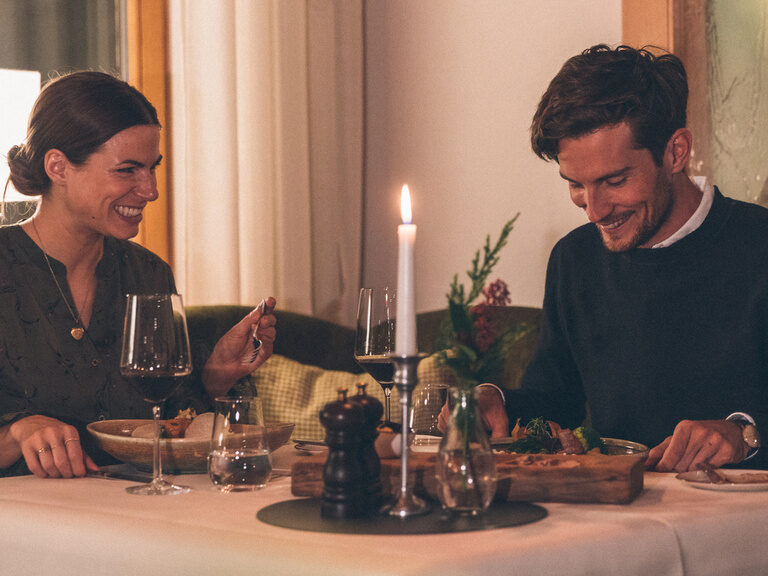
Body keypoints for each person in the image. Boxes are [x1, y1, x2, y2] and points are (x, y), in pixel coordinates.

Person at [442, 44, 768, 473]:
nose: (594, 211)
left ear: (675, 152)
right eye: (576, 185)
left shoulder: (758, 244)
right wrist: (493, 400)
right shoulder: (574, 259)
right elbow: (554, 403)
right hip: (618, 506)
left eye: (614, 181)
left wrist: (745, 435)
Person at [0, 71, 277, 478]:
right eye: (127, 170)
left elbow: (171, 424)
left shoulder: (148, 273)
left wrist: (214, 376)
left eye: (152, 168)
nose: (150, 190)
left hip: (138, 508)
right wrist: (15, 433)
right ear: (58, 167)